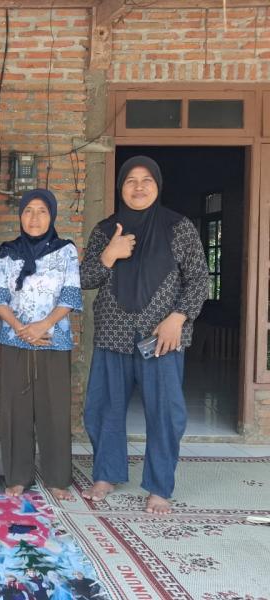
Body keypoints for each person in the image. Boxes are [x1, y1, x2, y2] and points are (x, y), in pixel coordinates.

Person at [80, 155, 208, 514]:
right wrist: (109, 255)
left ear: (158, 185)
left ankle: (159, 486)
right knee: (103, 408)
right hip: (113, 334)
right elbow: (84, 279)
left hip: (162, 337)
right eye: (130, 181)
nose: (138, 187)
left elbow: (199, 279)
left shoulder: (178, 227)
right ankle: (106, 474)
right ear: (120, 187)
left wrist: (178, 318)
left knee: (165, 412)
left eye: (146, 180)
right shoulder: (106, 230)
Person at [0, 188, 81, 501]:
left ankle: (57, 478)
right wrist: (20, 328)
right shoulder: (7, 252)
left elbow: (71, 294)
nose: (34, 218)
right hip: (15, 340)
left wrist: (42, 325)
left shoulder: (66, 251)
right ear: (20, 216)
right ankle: (18, 476)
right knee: (14, 410)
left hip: (53, 339)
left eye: (42, 211)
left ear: (52, 215)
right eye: (28, 211)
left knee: (54, 410)